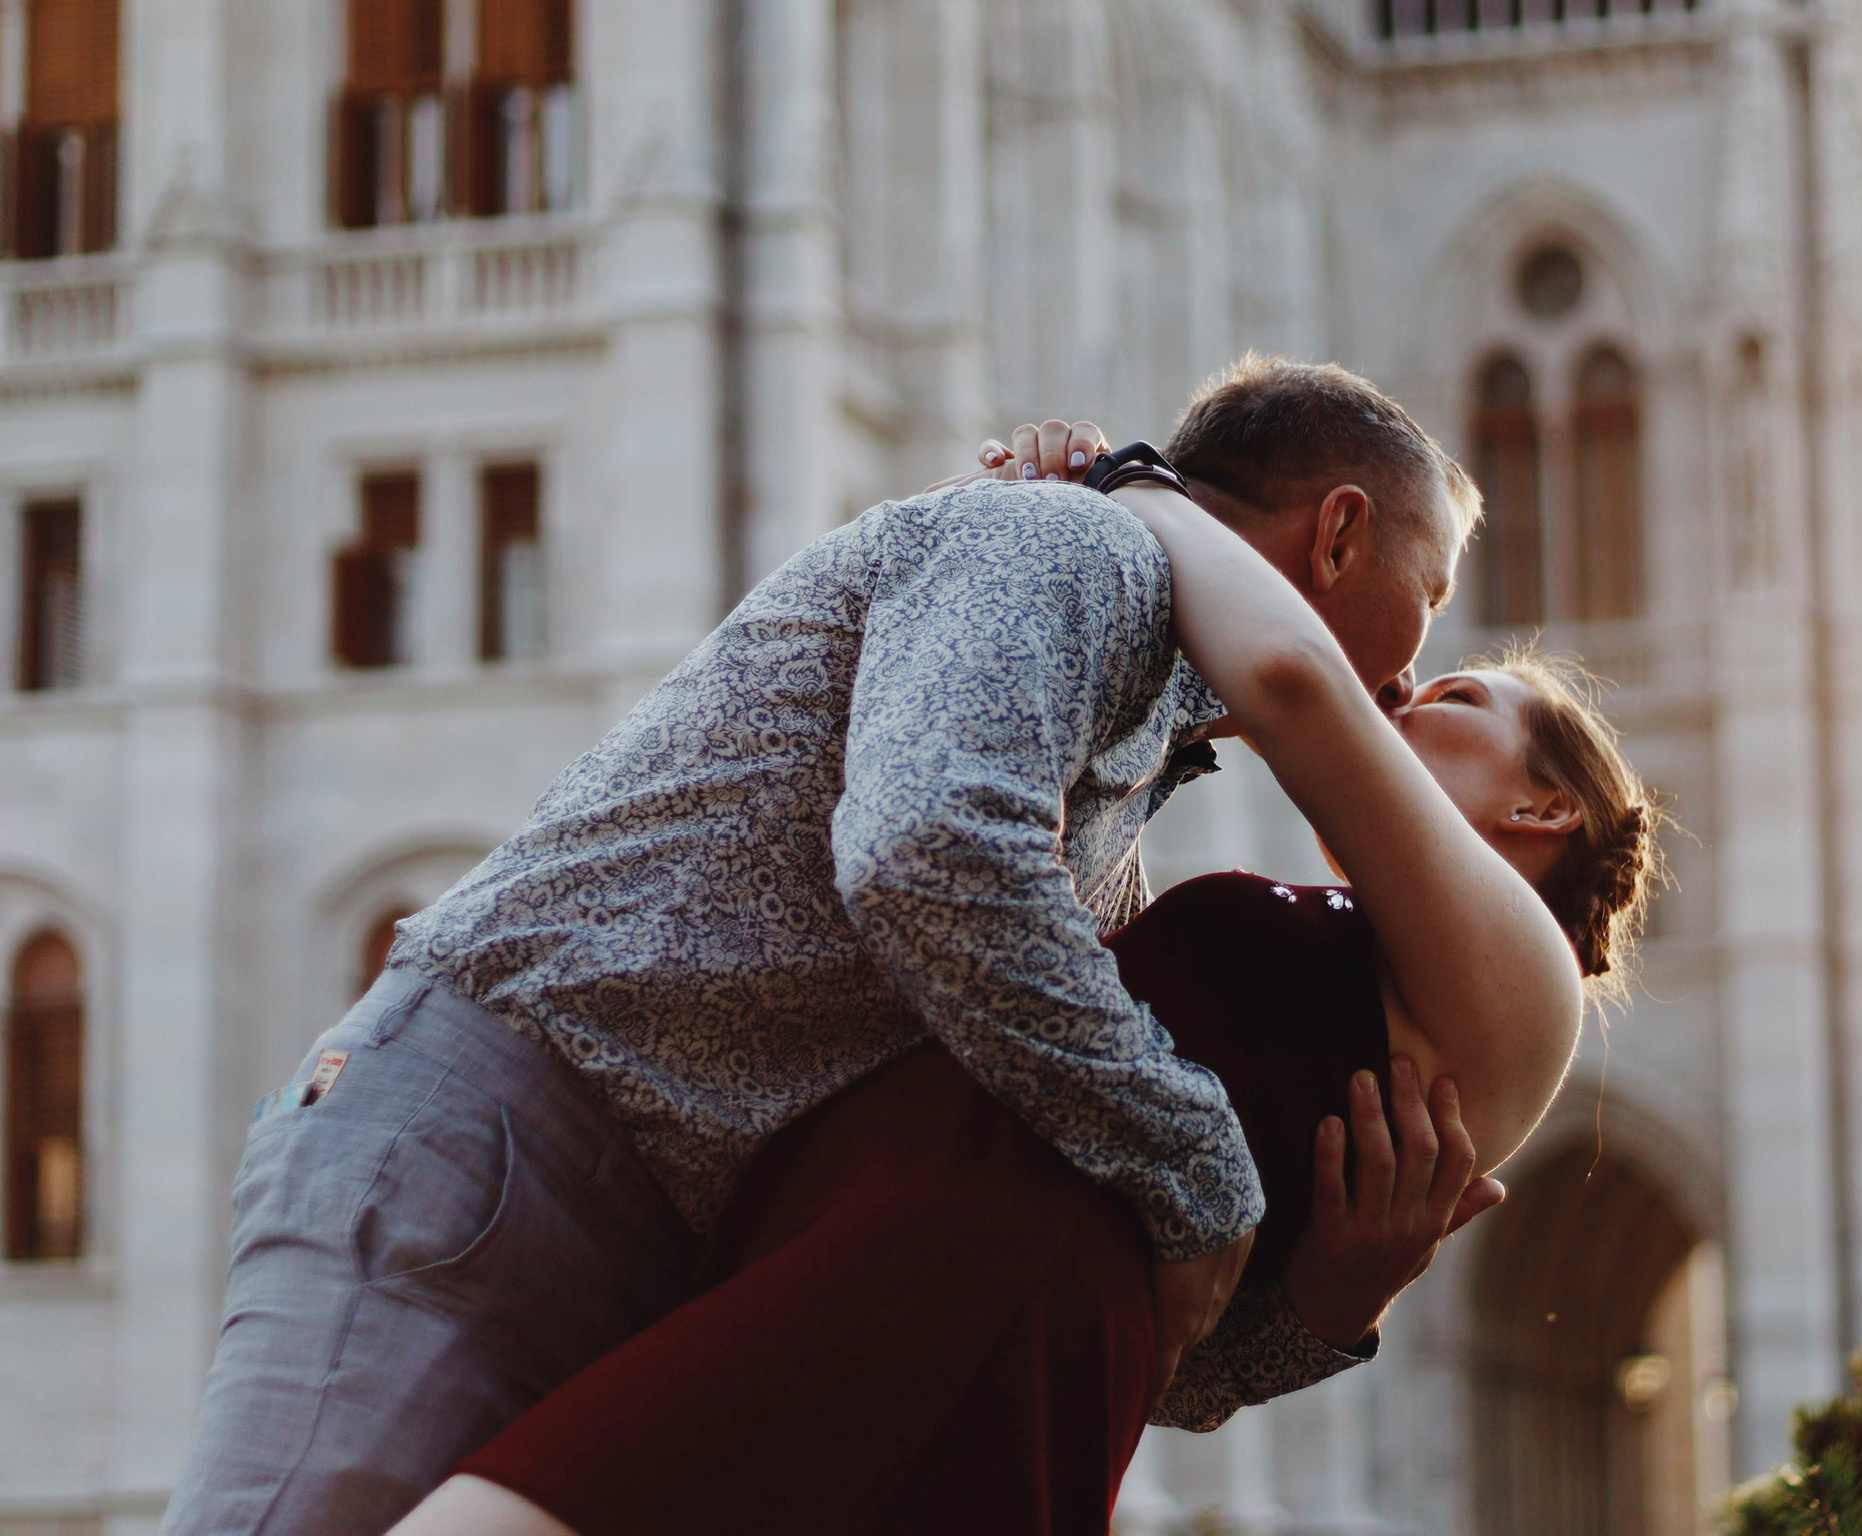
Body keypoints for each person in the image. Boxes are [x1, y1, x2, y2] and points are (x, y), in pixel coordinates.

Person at [161, 358, 1491, 1536]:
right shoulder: (1067, 544)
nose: (1403, 693)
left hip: (642, 1241)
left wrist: (1325, 1307)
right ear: (1337, 535)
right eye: (1431, 596)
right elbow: (925, 853)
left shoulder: (1126, 772)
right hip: (497, 1147)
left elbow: (1074, 1267)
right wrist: (1200, 1164)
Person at [381, 428, 1664, 1536]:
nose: (1400, 694)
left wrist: (1135, 486)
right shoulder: (1344, 939)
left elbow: (1288, 678)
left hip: (971, 1275)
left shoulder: (1525, 990)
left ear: (1545, 806)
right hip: (866, 1228)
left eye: (1456, 695)